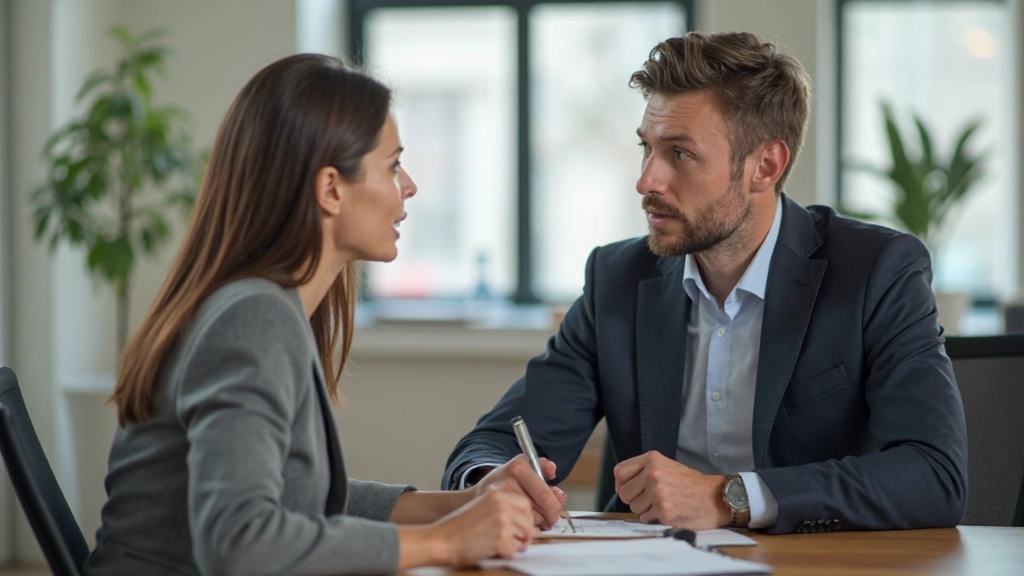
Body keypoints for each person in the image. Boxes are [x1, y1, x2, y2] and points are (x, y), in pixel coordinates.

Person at [443, 31, 968, 534]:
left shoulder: (876, 271)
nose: (647, 180)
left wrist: (729, 497)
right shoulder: (617, 279)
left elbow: (934, 475)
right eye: (646, 148)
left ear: (765, 165)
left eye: (680, 154)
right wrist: (487, 483)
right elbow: (492, 442)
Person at [83, 54, 540, 576]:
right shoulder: (253, 319)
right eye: (393, 165)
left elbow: (299, 505)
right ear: (330, 189)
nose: (409, 185)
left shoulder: (259, 305)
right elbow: (241, 542)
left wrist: (458, 506)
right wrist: (442, 543)